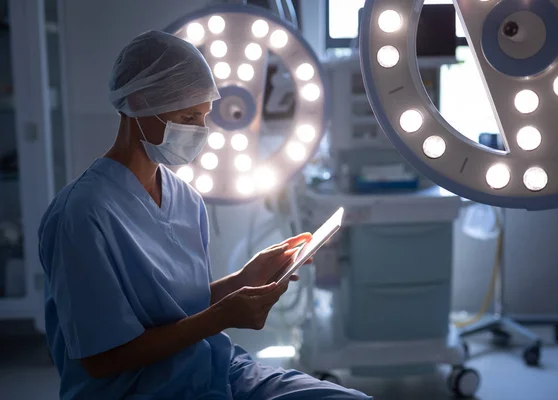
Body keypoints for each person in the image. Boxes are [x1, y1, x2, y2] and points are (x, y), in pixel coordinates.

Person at [38, 30, 372, 400]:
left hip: (215, 369)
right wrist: (222, 317)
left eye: (204, 116)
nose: (200, 131)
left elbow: (180, 308)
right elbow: (100, 360)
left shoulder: (184, 198)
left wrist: (244, 279)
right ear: (138, 101)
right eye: (188, 116)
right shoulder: (81, 215)